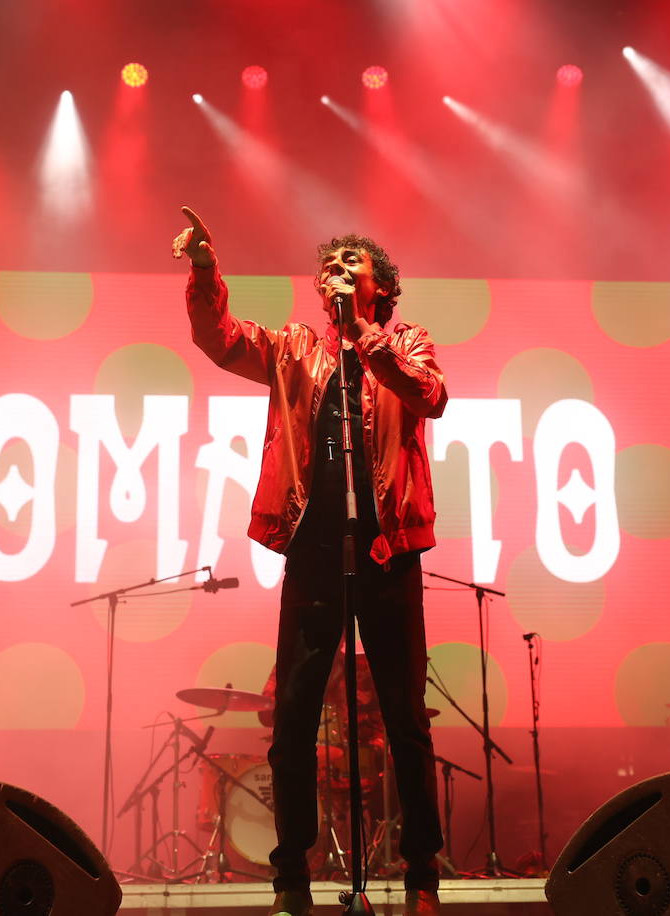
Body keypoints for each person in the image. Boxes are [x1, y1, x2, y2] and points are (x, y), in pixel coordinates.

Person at [172, 207, 446, 916]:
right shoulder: (295, 347)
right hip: (315, 554)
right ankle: (290, 875)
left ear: (380, 286)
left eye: (352, 264)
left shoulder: (407, 341)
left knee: (407, 721)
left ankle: (422, 876)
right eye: (330, 265)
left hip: (388, 556)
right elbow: (220, 340)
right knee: (291, 719)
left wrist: (366, 340)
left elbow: (430, 396)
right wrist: (205, 271)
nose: (337, 272)